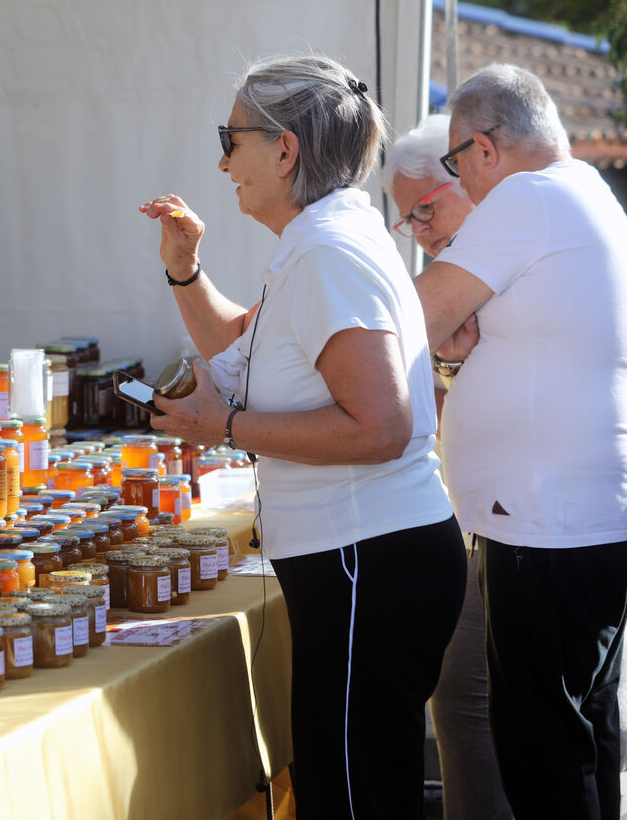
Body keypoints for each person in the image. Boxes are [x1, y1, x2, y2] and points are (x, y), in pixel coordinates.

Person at [140, 54, 464, 819]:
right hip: (368, 557)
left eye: (233, 138)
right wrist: (185, 271)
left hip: (369, 558)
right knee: (345, 782)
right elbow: (240, 345)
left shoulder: (325, 251)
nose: (222, 161)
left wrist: (221, 425)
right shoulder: (321, 238)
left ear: (285, 149)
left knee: (349, 794)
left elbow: (383, 425)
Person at [413, 63, 627, 820]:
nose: (461, 183)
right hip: (580, 514)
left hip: (545, 523)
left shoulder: (525, 197)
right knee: (586, 731)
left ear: (485, 148)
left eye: (455, 162)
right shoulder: (587, 191)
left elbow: (413, 320)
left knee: (543, 749)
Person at [383, 115, 511, 820]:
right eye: (408, 217)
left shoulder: (505, 248)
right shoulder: (455, 267)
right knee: (463, 704)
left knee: (474, 705)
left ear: (468, 176)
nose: (420, 228)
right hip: (475, 515)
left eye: (426, 206)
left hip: (519, 524)